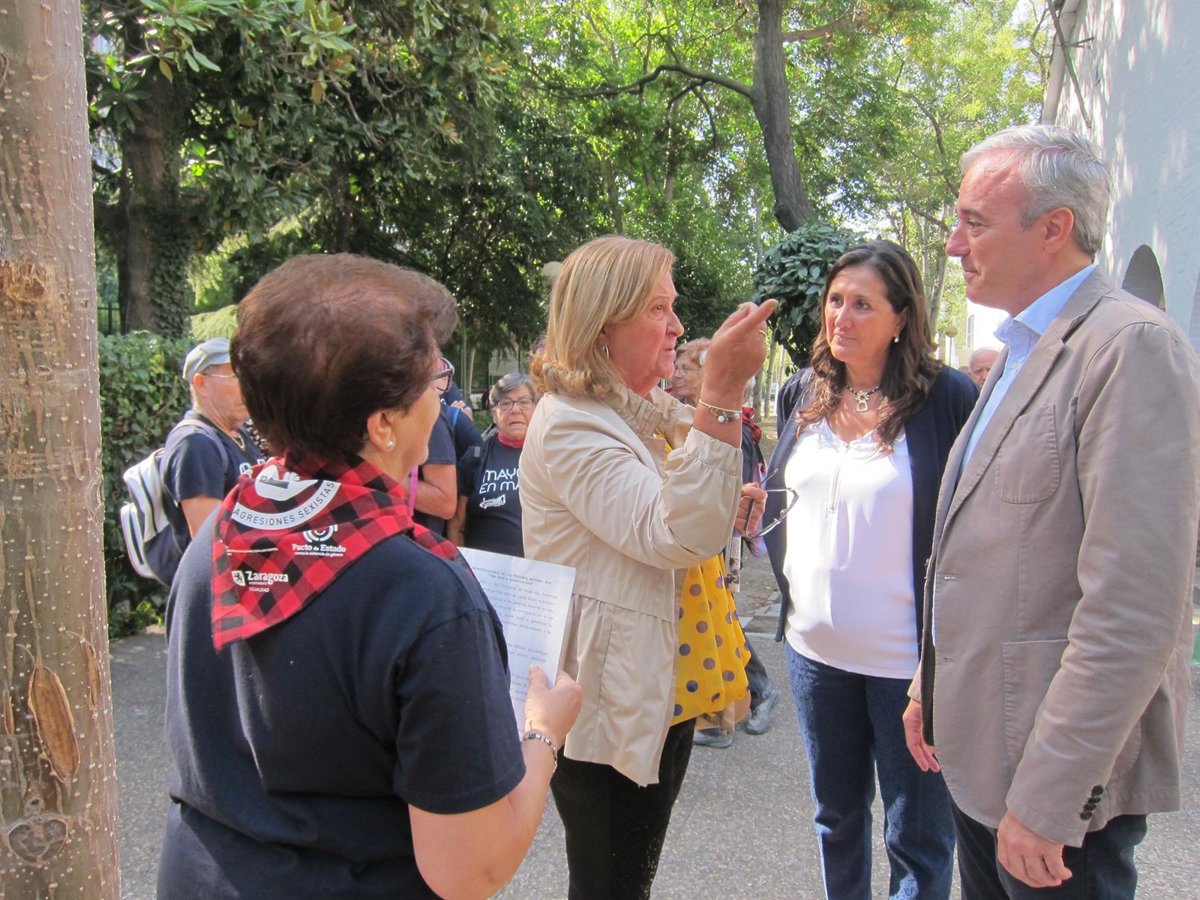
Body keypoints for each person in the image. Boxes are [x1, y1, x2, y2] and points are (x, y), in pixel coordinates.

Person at [158, 254, 581, 899]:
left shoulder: (223, 530)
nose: (442, 396)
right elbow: (470, 870)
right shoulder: (423, 596)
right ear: (382, 424)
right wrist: (543, 731)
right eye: (432, 381)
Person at [902, 125, 1200, 899]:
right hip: (981, 756)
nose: (954, 244)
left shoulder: (1131, 347)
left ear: (1054, 228)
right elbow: (983, 548)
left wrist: (1050, 797)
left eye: (974, 223)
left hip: (1048, 790)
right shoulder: (1023, 347)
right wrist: (928, 684)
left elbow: (1133, 609)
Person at [520, 235, 774, 898]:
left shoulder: (643, 415)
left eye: (673, 306)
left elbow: (675, 516)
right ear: (602, 325)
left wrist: (722, 502)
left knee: (629, 876)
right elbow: (675, 534)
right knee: (612, 884)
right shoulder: (571, 422)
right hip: (611, 690)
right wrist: (723, 390)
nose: (678, 326)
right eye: (658, 308)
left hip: (660, 679)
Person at [762, 240, 977, 899]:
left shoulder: (947, 399)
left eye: (863, 304)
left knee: (918, 842)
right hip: (814, 653)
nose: (842, 316)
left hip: (905, 665)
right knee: (836, 819)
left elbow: (971, 530)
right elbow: (788, 494)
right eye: (835, 300)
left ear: (902, 318)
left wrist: (938, 661)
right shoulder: (803, 392)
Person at [671, 338, 784, 749]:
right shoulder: (679, 416)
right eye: (678, 366)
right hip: (699, 534)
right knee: (718, 621)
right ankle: (725, 710)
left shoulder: (734, 426)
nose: (677, 374)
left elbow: (738, 489)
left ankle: (755, 693)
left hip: (720, 540)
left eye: (687, 368)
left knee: (721, 620)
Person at [159, 337, 264, 583]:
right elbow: (209, 539)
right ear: (201, 383)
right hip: (220, 590)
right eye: (236, 376)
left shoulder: (238, 434)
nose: (249, 386)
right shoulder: (195, 443)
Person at [447, 372, 536, 556]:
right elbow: (456, 525)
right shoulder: (476, 458)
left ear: (536, 409)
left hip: (540, 569)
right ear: (494, 414)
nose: (515, 410)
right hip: (484, 571)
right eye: (505, 403)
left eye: (524, 402)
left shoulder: (551, 458)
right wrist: (462, 568)